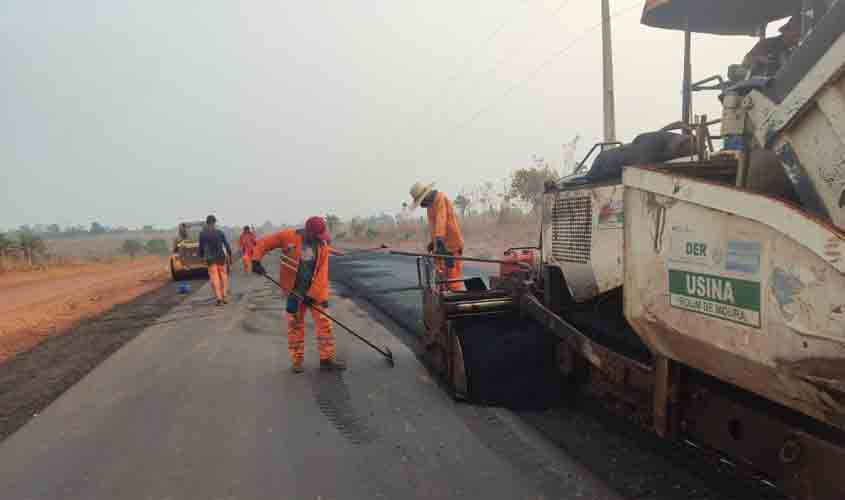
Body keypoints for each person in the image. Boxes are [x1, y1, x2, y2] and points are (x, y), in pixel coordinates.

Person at [251, 216, 346, 373]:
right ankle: (297, 361)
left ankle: (326, 359)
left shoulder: (322, 245)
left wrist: (312, 295)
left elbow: (322, 273)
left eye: (321, 236)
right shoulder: (288, 237)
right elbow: (263, 243)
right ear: (308, 231)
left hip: (315, 293)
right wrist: (256, 259)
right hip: (293, 291)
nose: (320, 239)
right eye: (317, 236)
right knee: (295, 325)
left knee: (324, 325)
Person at [409, 182, 465, 292]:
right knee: (440, 280)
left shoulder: (440, 198)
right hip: (440, 246)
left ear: (426, 195)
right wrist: (433, 242)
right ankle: (442, 303)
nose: (422, 204)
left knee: (452, 281)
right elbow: (434, 225)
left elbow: (441, 219)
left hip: (451, 247)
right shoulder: (430, 206)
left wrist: (439, 239)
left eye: (421, 201)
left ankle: (457, 303)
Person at [198, 214, 233, 306]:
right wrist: (229, 254)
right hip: (221, 257)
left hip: (210, 259)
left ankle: (219, 298)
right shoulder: (220, 232)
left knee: (214, 278)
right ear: (214, 223)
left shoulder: (202, 234)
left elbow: (201, 247)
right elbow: (226, 244)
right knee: (224, 276)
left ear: (207, 223)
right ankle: (224, 295)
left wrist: (201, 256)